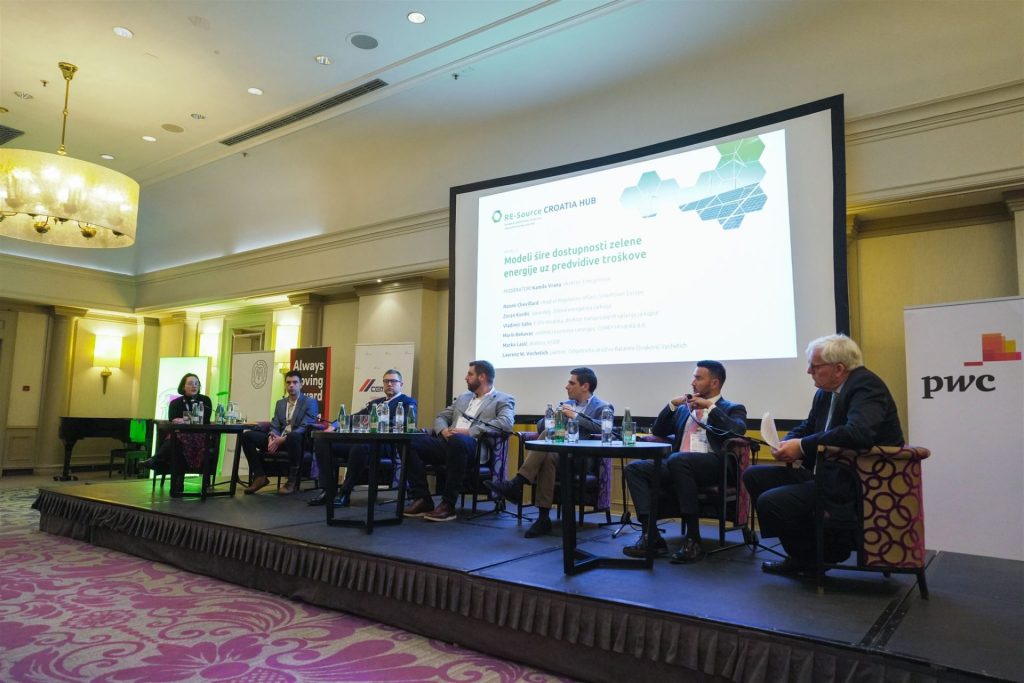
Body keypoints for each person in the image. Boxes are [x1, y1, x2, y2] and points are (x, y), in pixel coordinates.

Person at [743, 334, 903, 576]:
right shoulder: (825, 392)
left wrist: (802, 446)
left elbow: (858, 433)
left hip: (855, 481)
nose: (809, 371)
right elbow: (808, 426)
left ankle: (817, 556)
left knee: (771, 502)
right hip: (827, 474)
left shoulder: (866, 386)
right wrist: (787, 442)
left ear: (839, 368)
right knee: (754, 476)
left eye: (815, 366)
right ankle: (807, 554)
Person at [622, 360, 747, 562]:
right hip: (678, 463)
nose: (692, 382)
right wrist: (672, 405)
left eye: (698, 378)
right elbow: (659, 430)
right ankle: (651, 535)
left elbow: (737, 431)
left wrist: (710, 407)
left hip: (713, 465)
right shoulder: (684, 409)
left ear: (715, 383)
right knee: (635, 469)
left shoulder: (732, 408)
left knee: (679, 460)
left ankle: (693, 540)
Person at [485, 367, 612, 538]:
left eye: (571, 383)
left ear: (585, 386)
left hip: (580, 459)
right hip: (558, 456)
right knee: (547, 456)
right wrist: (553, 417)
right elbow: (540, 427)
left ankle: (517, 484)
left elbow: (605, 428)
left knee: (547, 439)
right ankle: (543, 518)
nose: (566, 386)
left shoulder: (603, 407)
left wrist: (575, 416)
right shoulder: (565, 404)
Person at [403, 360, 516, 522]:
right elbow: (442, 417)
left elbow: (505, 423)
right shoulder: (463, 397)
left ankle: (448, 505)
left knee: (459, 441)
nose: (466, 377)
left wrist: (470, 432)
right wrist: (443, 430)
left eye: (470, 374)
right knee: (408, 442)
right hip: (447, 442)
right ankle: (422, 499)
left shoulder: (503, 399)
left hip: (473, 446)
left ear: (482, 377)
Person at [308, 369, 418, 507]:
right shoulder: (375, 403)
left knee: (360, 447)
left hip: (386, 445)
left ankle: (345, 493)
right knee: (323, 442)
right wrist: (335, 425)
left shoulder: (407, 402)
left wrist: (375, 422)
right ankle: (327, 491)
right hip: (364, 442)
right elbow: (355, 417)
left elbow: (405, 424)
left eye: (393, 381)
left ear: (401, 384)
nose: (389, 384)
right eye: (386, 381)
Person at [240, 370, 319, 495]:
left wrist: (282, 439)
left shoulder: (309, 402)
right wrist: (272, 437)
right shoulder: (280, 403)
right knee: (247, 436)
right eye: (288, 382)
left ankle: (292, 481)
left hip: (298, 442)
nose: (291, 385)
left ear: (301, 384)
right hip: (279, 439)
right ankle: (260, 476)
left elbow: (305, 426)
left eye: (295, 382)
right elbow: (275, 424)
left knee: (293, 436)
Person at [140, 373, 214, 497]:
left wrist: (184, 419)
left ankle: (156, 459)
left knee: (176, 440)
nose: (194, 386)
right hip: (181, 435)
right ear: (183, 386)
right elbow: (173, 419)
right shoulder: (175, 403)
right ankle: (177, 484)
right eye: (190, 383)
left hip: (199, 436)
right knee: (177, 443)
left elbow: (204, 419)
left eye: (197, 384)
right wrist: (191, 419)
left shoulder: (205, 400)